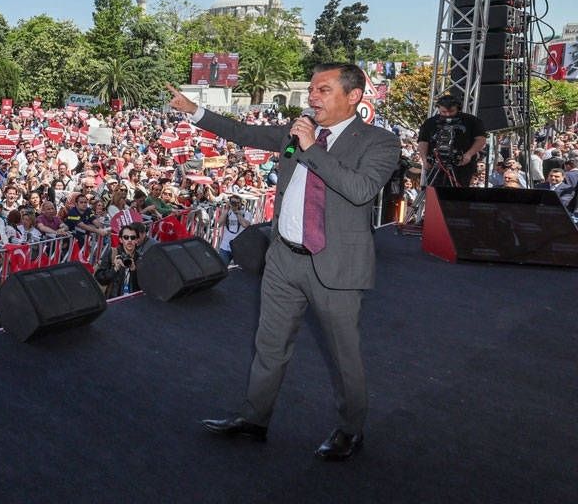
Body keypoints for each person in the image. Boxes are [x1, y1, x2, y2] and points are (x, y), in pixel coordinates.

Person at [168, 62, 401, 461]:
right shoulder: (298, 131)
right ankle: (254, 419)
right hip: (283, 260)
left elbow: (360, 190)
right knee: (269, 346)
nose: (312, 97)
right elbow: (245, 133)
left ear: (354, 97)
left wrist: (312, 148)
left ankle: (350, 429)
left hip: (336, 266)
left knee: (344, 355)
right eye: (312, 89)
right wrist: (194, 110)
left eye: (323, 90)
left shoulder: (378, 142)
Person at [416, 94, 487, 187]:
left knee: (458, 196)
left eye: (451, 111)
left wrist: (469, 154)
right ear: (438, 109)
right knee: (434, 193)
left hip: (461, 165)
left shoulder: (472, 121)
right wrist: (424, 159)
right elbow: (423, 142)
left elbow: (481, 139)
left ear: (458, 108)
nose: (447, 114)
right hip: (436, 164)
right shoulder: (430, 122)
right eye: (443, 112)